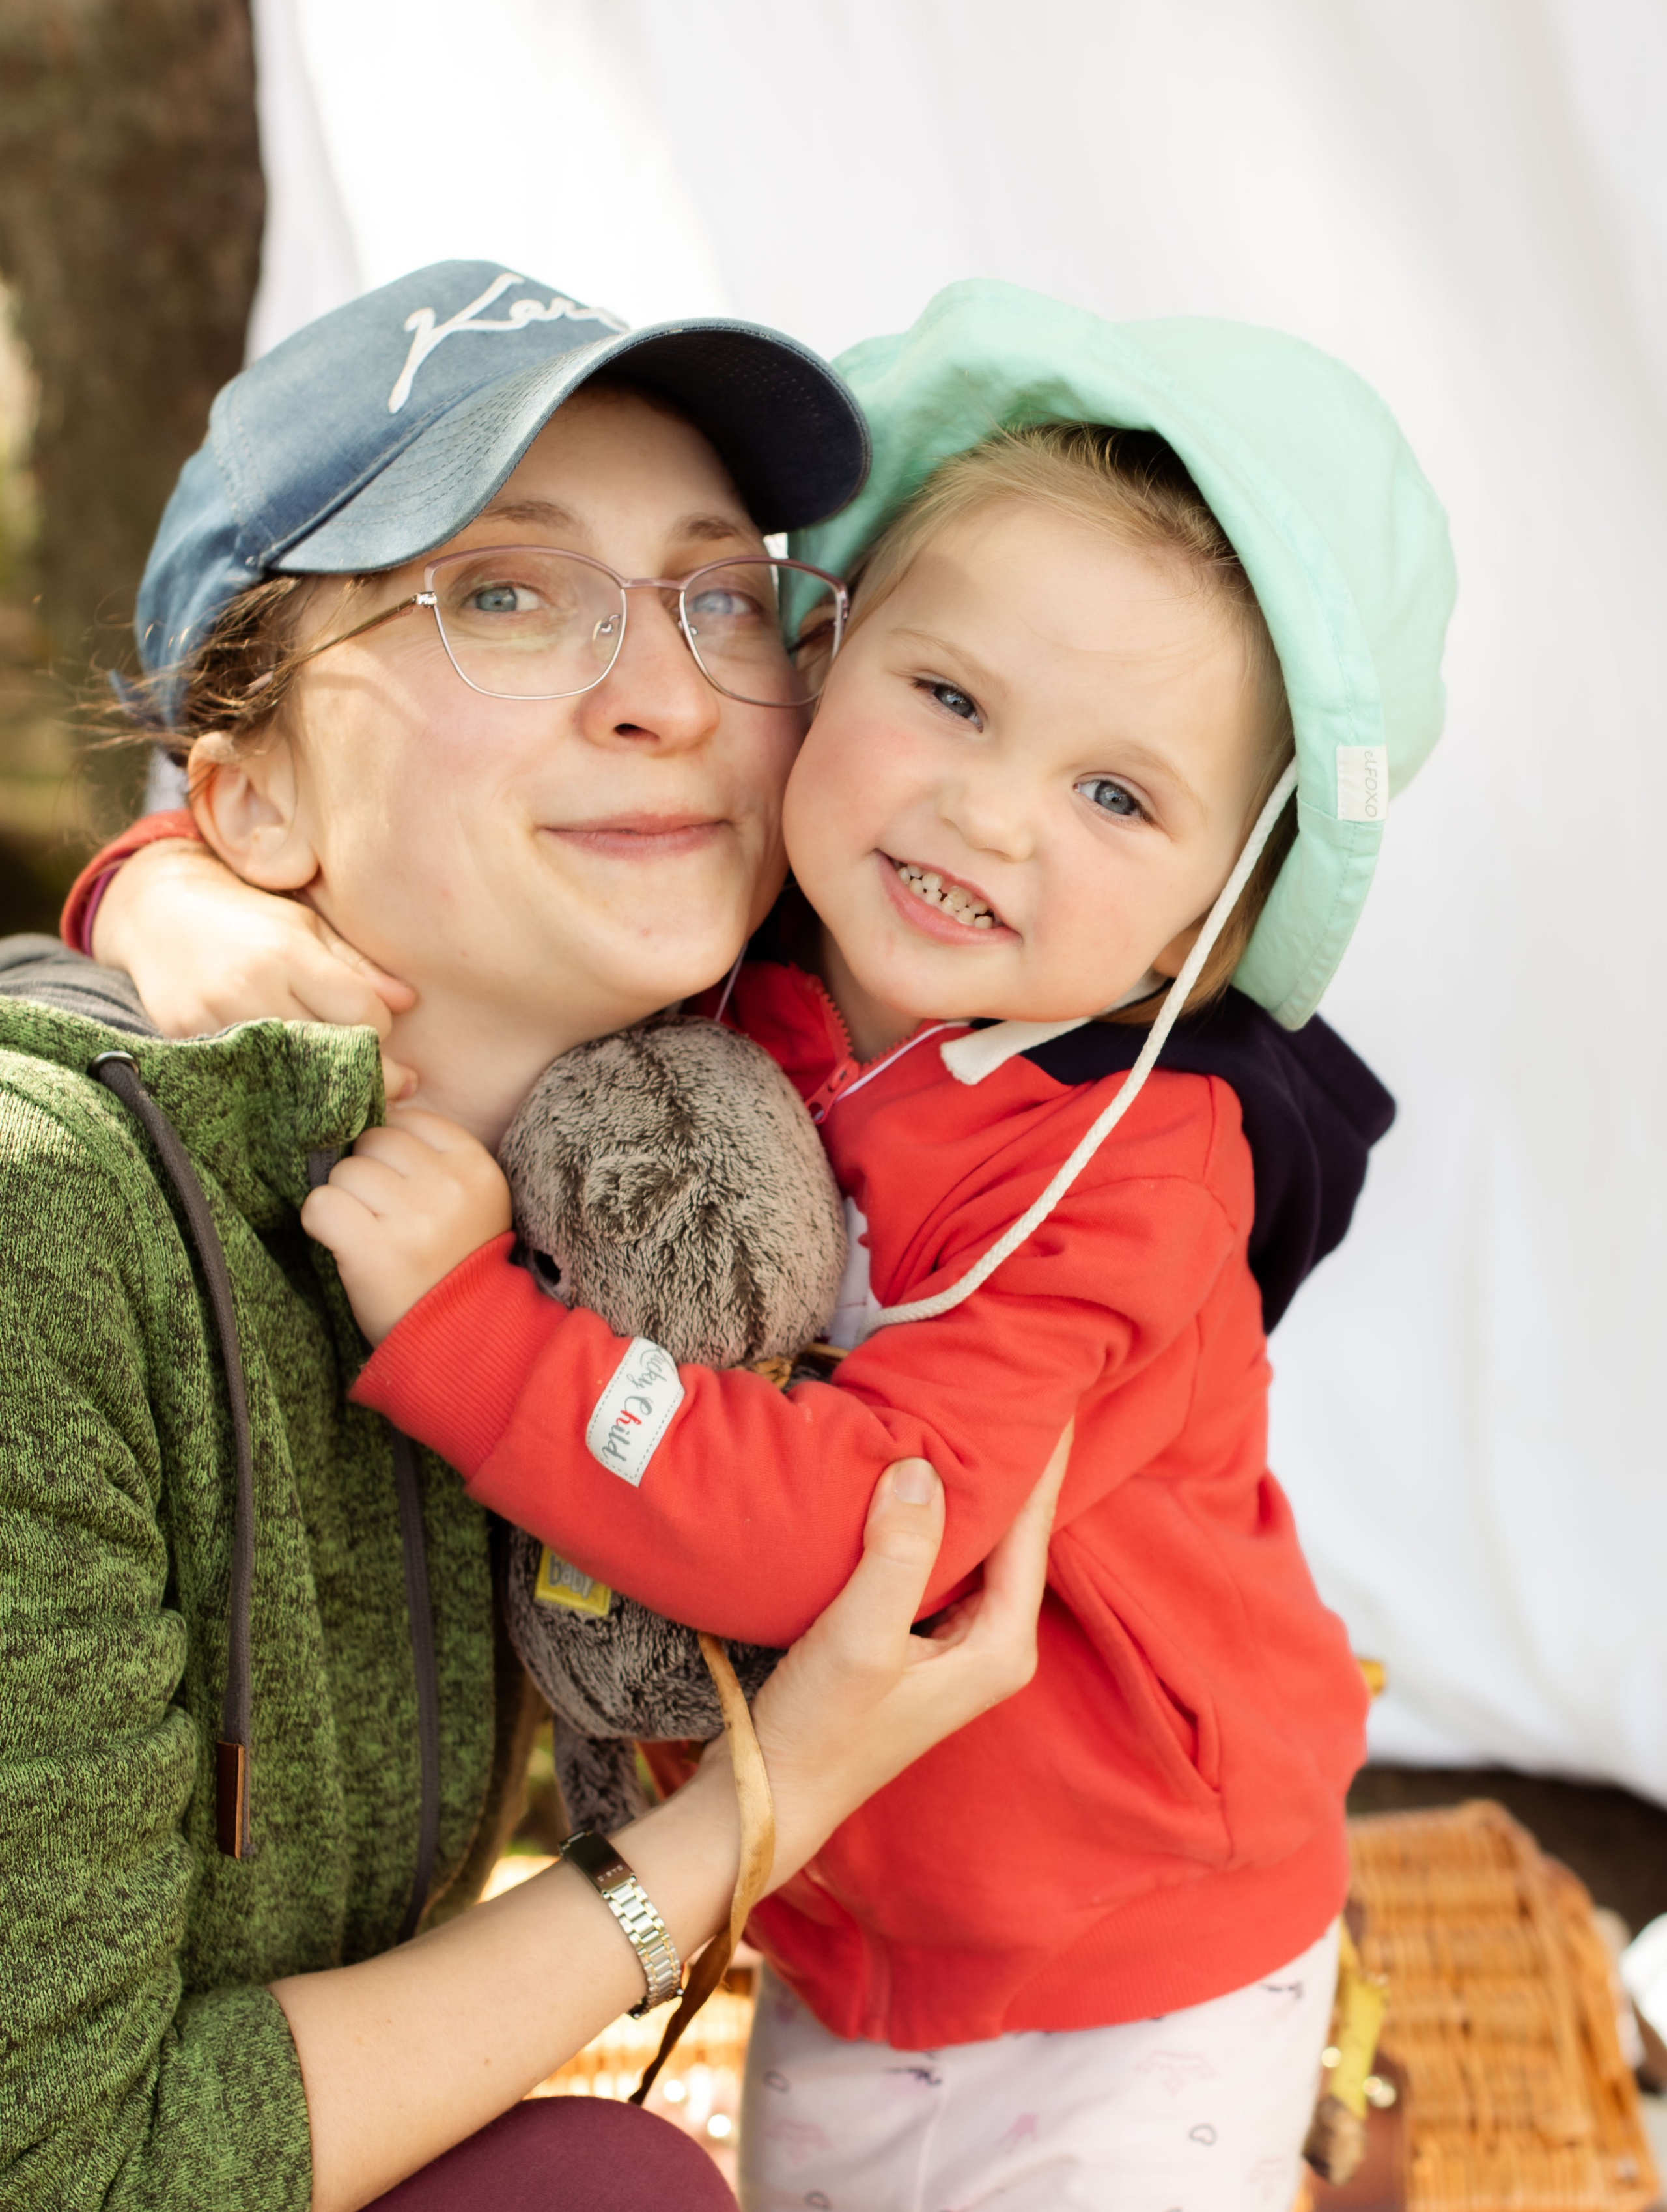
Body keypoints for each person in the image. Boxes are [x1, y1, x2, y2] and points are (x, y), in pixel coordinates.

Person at [77, 281, 1455, 2207]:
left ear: (1203, 938)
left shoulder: (1134, 1177)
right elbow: (357, 842)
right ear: (839, 648)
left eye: (1118, 794)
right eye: (950, 700)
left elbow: (855, 1528)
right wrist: (160, 904)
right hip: (836, 1917)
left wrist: (473, 1334)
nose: (986, 813)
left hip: (1138, 1955)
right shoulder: (766, 966)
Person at [0, 262, 1063, 2212]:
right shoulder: (39, 1237)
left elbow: (1247, 1044)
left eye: (722, 595)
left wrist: (148, 882)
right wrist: (769, 1802)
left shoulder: (660, 1163)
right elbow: (71, 2168)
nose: (667, 695)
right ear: (249, 794)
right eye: (503, 592)